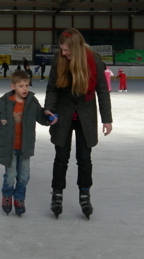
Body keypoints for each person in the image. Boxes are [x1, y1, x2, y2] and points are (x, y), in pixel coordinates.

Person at [44, 28, 113, 219]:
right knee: (61, 157)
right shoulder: (59, 60)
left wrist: (106, 119)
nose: (63, 53)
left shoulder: (94, 60)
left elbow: (102, 91)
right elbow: (52, 88)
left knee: (84, 158)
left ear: (77, 48)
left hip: (86, 115)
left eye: (67, 50)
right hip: (63, 114)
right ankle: (57, 194)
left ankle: (85, 194)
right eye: (62, 50)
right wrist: (48, 108)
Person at [0, 70, 57, 216]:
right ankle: (7, 196)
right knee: (10, 175)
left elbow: (41, 117)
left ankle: (19, 198)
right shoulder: (2, 103)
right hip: (9, 147)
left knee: (24, 176)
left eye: (26, 85)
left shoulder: (32, 102)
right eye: (21, 86)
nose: (24, 89)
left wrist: (49, 118)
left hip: (25, 147)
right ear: (13, 86)